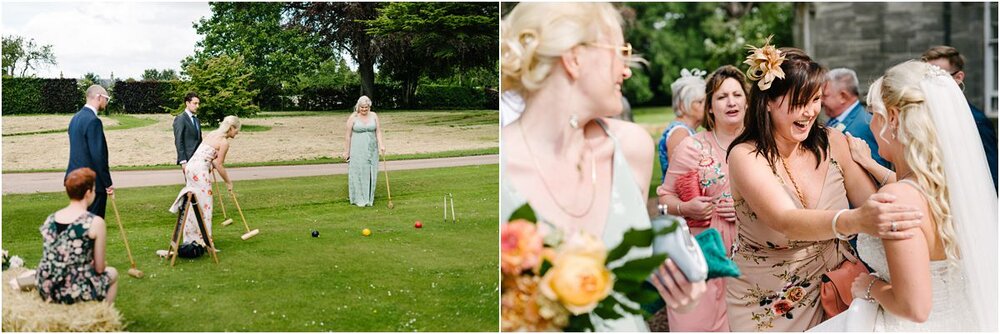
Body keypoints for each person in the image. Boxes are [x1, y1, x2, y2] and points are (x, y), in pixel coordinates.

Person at [500, 3, 705, 331]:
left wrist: (676, 289)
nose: (626, 70)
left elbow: (629, 285)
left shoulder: (633, 149)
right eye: (619, 51)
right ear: (574, 57)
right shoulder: (502, 170)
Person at [724, 41, 925, 331]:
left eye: (816, 99)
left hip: (837, 284)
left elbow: (873, 201)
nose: (809, 112)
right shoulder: (745, 156)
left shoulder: (833, 141)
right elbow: (785, 220)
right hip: (767, 300)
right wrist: (856, 219)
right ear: (768, 101)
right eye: (799, 102)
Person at [826, 62, 998, 331]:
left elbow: (914, 308)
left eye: (874, 113)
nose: (870, 122)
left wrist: (870, 286)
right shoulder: (951, 187)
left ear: (892, 118)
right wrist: (869, 165)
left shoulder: (898, 198)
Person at [654, 65, 746, 331]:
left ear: (747, 101)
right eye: (721, 97)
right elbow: (664, 200)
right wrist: (686, 207)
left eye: (737, 95)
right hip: (703, 253)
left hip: (750, 255)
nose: (731, 102)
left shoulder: (761, 146)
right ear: (710, 107)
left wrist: (744, 208)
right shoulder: (692, 146)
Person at [36, 167, 119, 304]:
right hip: (74, 289)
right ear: (88, 193)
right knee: (113, 273)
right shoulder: (95, 222)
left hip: (47, 285)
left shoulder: (51, 218)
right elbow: (99, 268)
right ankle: (103, 317)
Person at [920, 45, 998, 191]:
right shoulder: (921, 116)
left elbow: (993, 176)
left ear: (958, 78)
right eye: (925, 77)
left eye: (937, 77)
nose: (929, 84)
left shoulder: (977, 120)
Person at [168, 116, 240, 257]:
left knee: (193, 204)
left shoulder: (213, 133)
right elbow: (219, 164)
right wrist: (228, 182)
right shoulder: (224, 142)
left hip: (190, 168)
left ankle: (191, 239)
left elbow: (209, 158)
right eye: (236, 130)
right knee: (205, 206)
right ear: (231, 128)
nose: (237, 133)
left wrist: (210, 163)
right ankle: (206, 242)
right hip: (200, 171)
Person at [821, 68, 889, 168]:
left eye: (825, 96)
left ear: (843, 96)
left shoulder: (866, 124)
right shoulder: (834, 119)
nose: (821, 101)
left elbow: (878, 171)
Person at [66, 85, 114, 218]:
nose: (107, 102)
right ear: (99, 97)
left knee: (80, 223)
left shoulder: (75, 118)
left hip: (74, 180)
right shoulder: (94, 121)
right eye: (106, 99)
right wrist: (107, 183)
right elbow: (98, 156)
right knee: (92, 225)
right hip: (91, 183)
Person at [657, 68, 707, 181]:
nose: (706, 106)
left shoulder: (686, 130)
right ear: (683, 105)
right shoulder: (680, 133)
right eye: (699, 102)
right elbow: (681, 177)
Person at [343, 96, 385, 207]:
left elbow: (378, 132)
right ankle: (358, 198)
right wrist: (346, 151)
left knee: (370, 171)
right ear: (358, 106)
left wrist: (381, 145)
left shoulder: (374, 116)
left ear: (369, 107)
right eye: (362, 107)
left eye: (366, 107)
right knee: (358, 171)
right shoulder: (353, 117)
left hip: (372, 148)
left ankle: (368, 198)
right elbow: (348, 135)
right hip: (357, 148)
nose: (364, 109)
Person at [174, 92, 203, 173]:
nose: (197, 106)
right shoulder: (180, 119)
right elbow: (179, 141)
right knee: (191, 185)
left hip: (199, 159)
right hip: (188, 160)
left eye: (198, 103)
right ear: (187, 103)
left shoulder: (196, 120)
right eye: (195, 103)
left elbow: (199, 140)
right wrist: (183, 161)